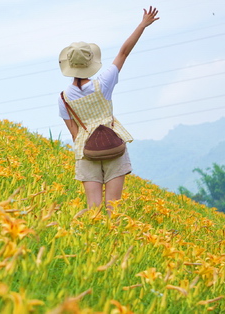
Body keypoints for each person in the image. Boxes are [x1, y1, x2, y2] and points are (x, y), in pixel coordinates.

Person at [58, 7, 159, 218]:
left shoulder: (63, 98)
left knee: (93, 209)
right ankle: (112, 243)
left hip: (87, 152)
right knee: (114, 209)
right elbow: (123, 52)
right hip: (113, 145)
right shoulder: (103, 83)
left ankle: (79, 232)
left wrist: (90, 145)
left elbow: (75, 134)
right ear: (90, 63)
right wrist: (142, 25)